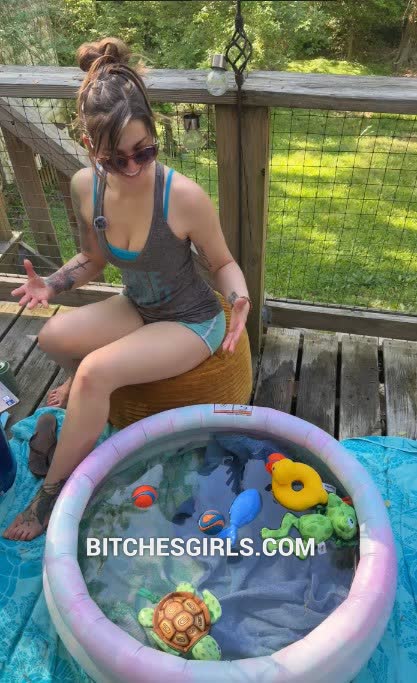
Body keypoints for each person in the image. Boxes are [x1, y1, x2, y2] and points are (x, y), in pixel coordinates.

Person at [3, 37, 251, 542]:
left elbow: (224, 262)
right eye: (117, 159)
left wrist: (239, 296)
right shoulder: (85, 187)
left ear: (154, 135)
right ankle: (82, 398)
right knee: (51, 338)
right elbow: (92, 259)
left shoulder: (182, 197)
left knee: (95, 371)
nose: (134, 168)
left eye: (145, 152)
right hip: (139, 305)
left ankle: (49, 495)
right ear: (90, 147)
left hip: (190, 320)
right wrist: (52, 285)